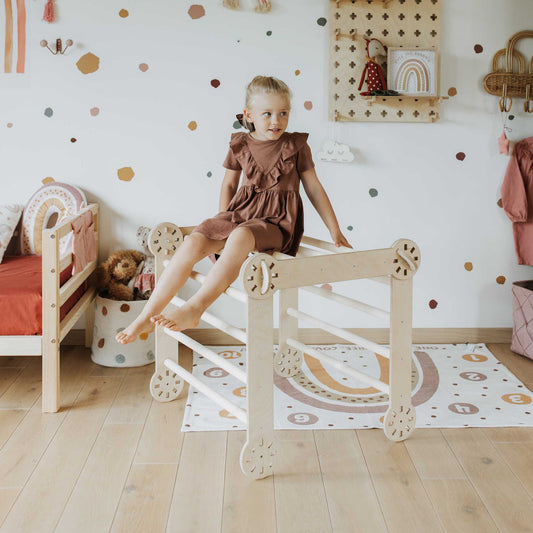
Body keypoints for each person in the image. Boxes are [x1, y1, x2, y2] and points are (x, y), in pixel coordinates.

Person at [116, 75, 351, 344]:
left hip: (276, 223)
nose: (276, 121)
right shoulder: (240, 144)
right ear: (249, 114)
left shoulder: (294, 146)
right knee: (195, 239)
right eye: (268, 114)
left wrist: (335, 229)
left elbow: (314, 188)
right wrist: (221, 223)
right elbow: (228, 185)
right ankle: (146, 315)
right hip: (240, 215)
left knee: (240, 236)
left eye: (283, 113)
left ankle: (195, 308)